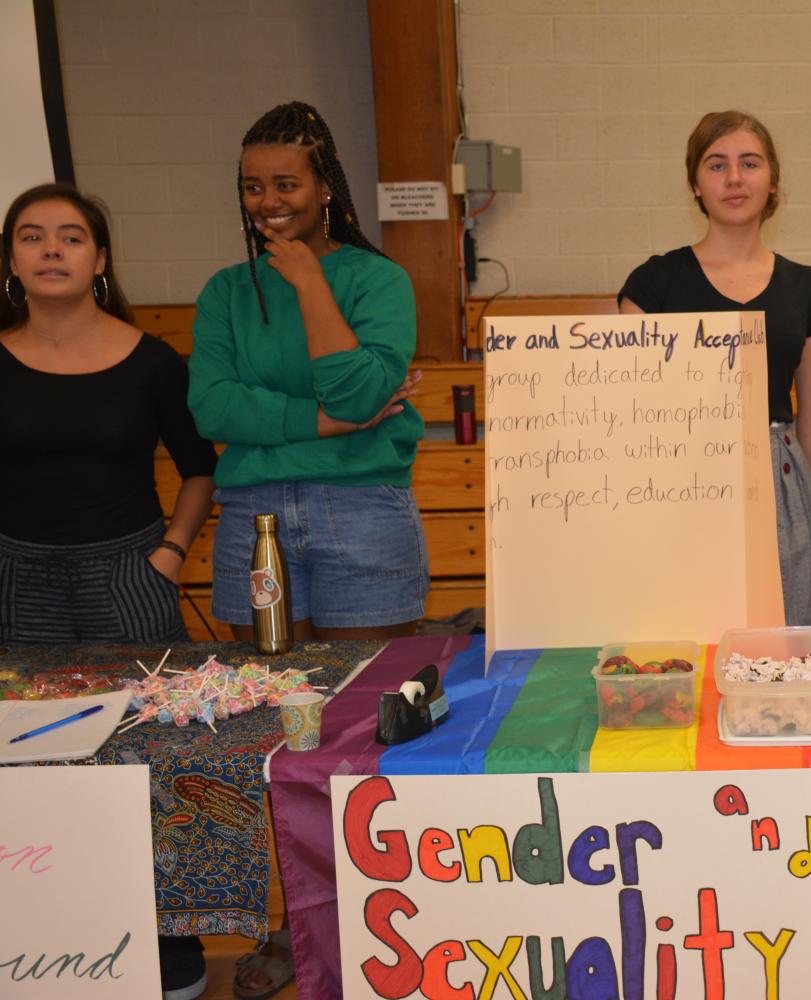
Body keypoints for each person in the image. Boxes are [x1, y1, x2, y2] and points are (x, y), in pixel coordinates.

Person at [186, 100, 427, 999]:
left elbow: (364, 378)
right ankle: (297, 927)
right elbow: (213, 409)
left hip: (363, 510)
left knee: (373, 723)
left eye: (286, 183)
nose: (268, 202)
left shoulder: (377, 280)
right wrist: (331, 421)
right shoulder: (222, 293)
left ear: (326, 188)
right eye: (253, 187)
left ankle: (390, 912)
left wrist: (311, 286)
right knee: (276, 734)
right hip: (256, 521)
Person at [0, 182, 218, 998]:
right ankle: (48, 948)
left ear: (100, 258)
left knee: (151, 766)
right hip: (15, 582)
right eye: (31, 236)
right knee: (30, 768)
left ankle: (171, 954)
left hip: (130, 577)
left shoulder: (153, 357)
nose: (51, 249)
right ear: (11, 260)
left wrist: (169, 554)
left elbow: (200, 469)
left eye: (70, 236)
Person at [618, 110, 811, 626]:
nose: (735, 178)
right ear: (695, 185)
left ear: (772, 180)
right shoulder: (653, 284)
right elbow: (629, 418)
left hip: (779, 483)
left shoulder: (810, 289)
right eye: (716, 165)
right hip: (680, 481)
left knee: (786, 650)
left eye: (750, 163)